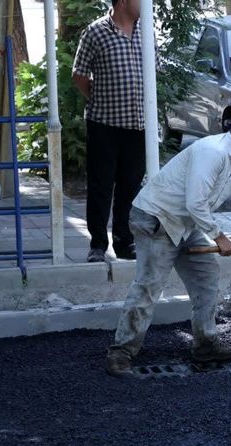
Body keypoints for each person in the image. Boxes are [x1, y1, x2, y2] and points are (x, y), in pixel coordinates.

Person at [106, 107, 231, 377]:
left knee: (207, 275)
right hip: (156, 218)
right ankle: (121, 352)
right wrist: (220, 237)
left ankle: (206, 344)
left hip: (186, 223)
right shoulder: (213, 152)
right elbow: (195, 201)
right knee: (149, 286)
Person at [72, 0, 145, 263]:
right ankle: (98, 245)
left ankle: (125, 242)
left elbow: (152, 71)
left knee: (131, 187)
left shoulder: (146, 30)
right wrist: (100, 99)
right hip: (104, 124)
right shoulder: (96, 32)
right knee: (101, 185)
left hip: (138, 126)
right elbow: (79, 75)